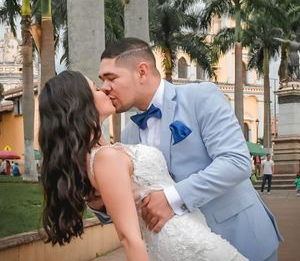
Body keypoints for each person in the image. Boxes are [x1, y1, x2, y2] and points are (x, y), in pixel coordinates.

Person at [93, 38, 280, 260]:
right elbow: (129, 207)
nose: (105, 87)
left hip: (240, 239)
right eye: (102, 80)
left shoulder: (201, 96)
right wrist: (97, 199)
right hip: (183, 251)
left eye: (111, 78)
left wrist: (172, 197)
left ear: (141, 72)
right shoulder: (128, 135)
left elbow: (236, 162)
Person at [39, 70, 248, 261]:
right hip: (183, 243)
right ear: (79, 103)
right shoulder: (105, 158)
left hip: (193, 235)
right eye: (95, 88)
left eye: (109, 80)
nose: (104, 89)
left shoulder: (101, 151)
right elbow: (130, 239)